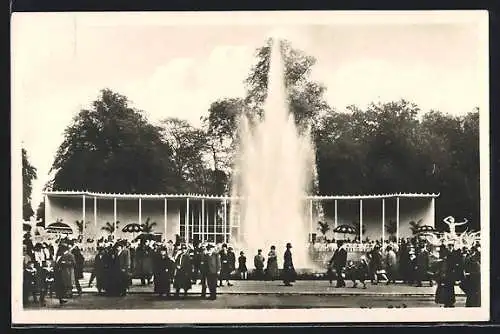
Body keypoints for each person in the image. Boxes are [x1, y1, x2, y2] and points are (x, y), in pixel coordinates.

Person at [434, 241, 457, 308]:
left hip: (452, 274)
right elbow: (443, 263)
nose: (450, 247)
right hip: (446, 274)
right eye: (449, 245)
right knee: (446, 288)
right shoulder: (445, 253)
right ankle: (446, 301)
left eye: (451, 245)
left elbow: (457, 263)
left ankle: (451, 301)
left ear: (453, 246)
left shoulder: (455, 253)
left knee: (451, 288)